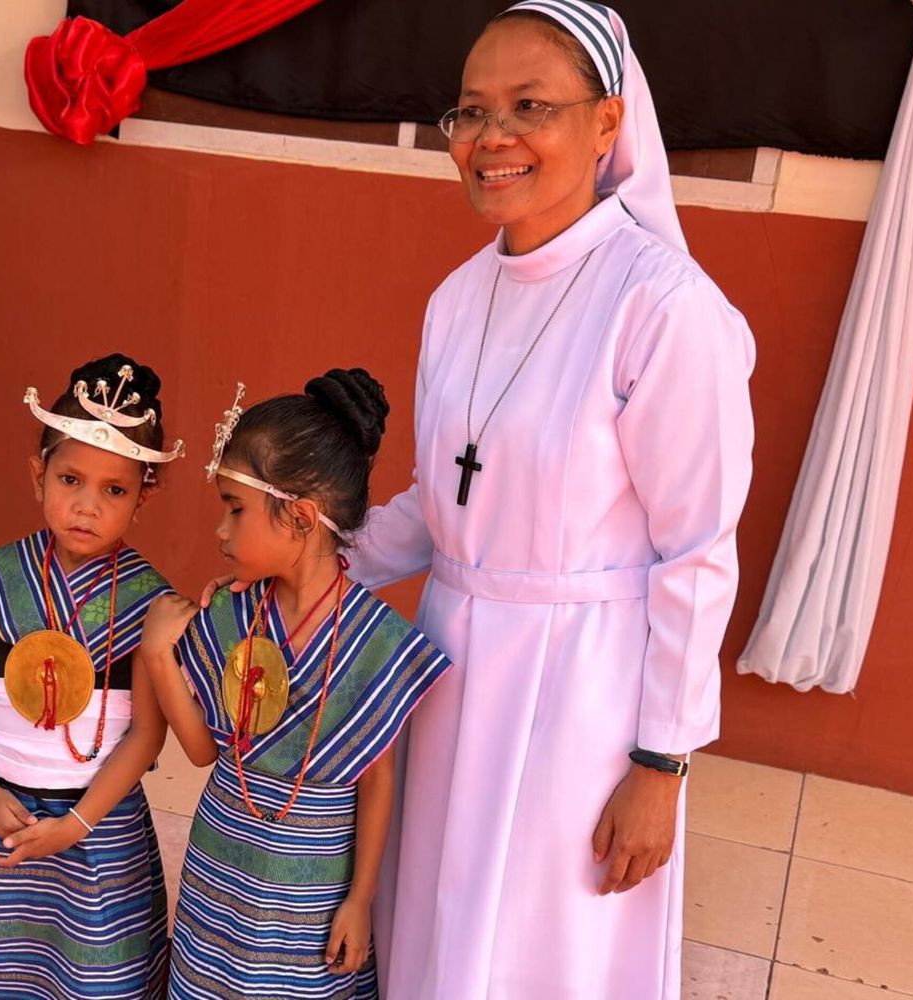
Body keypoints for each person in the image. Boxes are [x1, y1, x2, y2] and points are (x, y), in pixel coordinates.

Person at [344, 3, 757, 997]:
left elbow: (697, 549)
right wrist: (318, 557)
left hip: (585, 691)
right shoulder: (456, 297)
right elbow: (443, 502)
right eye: (471, 111)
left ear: (608, 124)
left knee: (546, 943)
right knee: (441, 919)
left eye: (531, 106)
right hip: (449, 666)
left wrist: (663, 761)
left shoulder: (663, 307)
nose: (493, 138)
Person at [143, 371, 452, 999]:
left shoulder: (375, 643)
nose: (220, 532)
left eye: (236, 509)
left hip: (312, 898)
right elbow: (204, 752)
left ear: (302, 517)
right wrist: (156, 656)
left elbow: (377, 779)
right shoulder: (232, 615)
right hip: (219, 874)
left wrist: (360, 899)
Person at [0, 355, 184, 999]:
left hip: (99, 831)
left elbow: (146, 736)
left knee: (95, 971)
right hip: (2, 813)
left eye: (114, 490)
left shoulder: (146, 603)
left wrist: (78, 824)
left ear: (143, 497)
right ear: (36, 473)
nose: (86, 506)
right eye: (70, 478)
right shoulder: (0, 576)